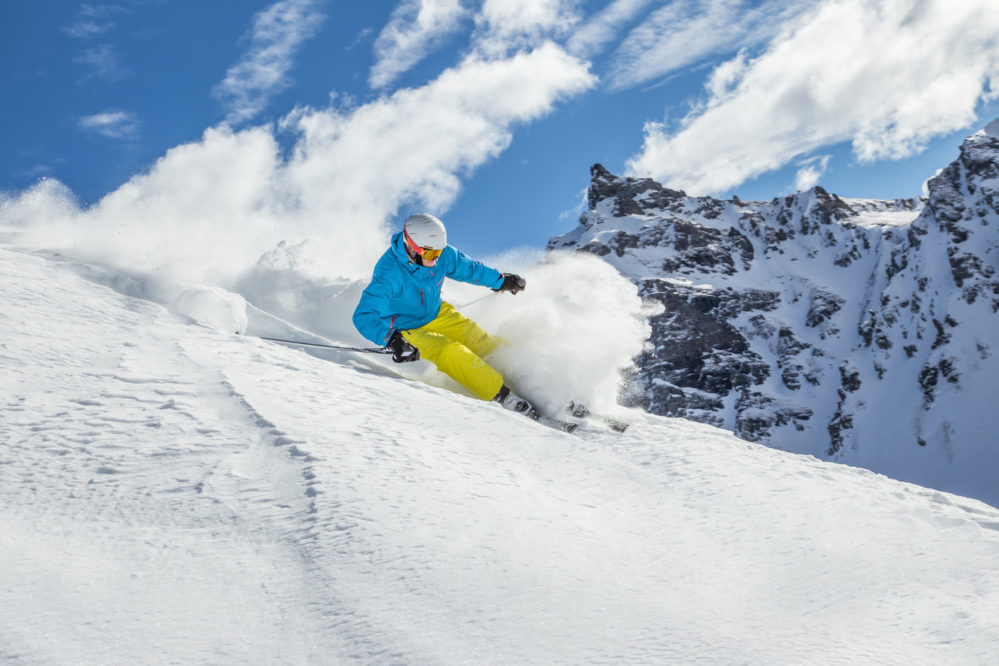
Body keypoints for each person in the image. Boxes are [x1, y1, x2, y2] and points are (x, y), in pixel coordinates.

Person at [352, 213, 536, 417]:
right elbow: (363, 315)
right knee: (449, 351)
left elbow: (468, 268)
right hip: (407, 327)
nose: (436, 259)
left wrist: (499, 281)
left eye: (439, 252)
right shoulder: (389, 272)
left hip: (436, 312)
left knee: (478, 339)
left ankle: (531, 379)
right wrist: (392, 340)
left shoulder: (440, 255)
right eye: (431, 255)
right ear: (412, 248)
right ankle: (503, 396)